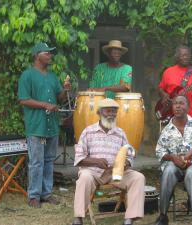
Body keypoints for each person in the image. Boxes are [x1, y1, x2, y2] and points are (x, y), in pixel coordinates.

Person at [72, 98, 145, 225]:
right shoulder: (88, 131)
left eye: (114, 111)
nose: (111, 114)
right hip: (93, 172)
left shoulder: (120, 133)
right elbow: (79, 159)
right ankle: (78, 218)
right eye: (108, 111)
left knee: (138, 177)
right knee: (84, 178)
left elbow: (129, 156)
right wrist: (96, 161)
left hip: (115, 173)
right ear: (99, 113)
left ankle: (130, 219)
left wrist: (126, 163)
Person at [18, 42, 71, 208]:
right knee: (36, 162)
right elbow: (24, 100)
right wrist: (45, 105)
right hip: (36, 127)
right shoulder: (27, 75)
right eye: (47, 53)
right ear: (37, 55)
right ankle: (34, 196)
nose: (50, 55)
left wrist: (65, 89)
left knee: (48, 161)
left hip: (52, 126)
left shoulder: (53, 76)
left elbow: (60, 99)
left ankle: (46, 194)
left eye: (50, 53)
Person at [154, 95, 192, 225]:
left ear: (188, 107)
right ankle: (163, 216)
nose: (178, 106)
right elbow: (159, 152)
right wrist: (173, 158)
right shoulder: (167, 129)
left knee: (191, 173)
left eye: (181, 103)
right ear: (172, 107)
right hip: (174, 165)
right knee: (168, 170)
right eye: (175, 104)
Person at [158, 45, 192, 120]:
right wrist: (164, 95)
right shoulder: (168, 72)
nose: (185, 57)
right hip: (171, 115)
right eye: (183, 55)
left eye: (187, 55)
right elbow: (160, 89)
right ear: (177, 57)